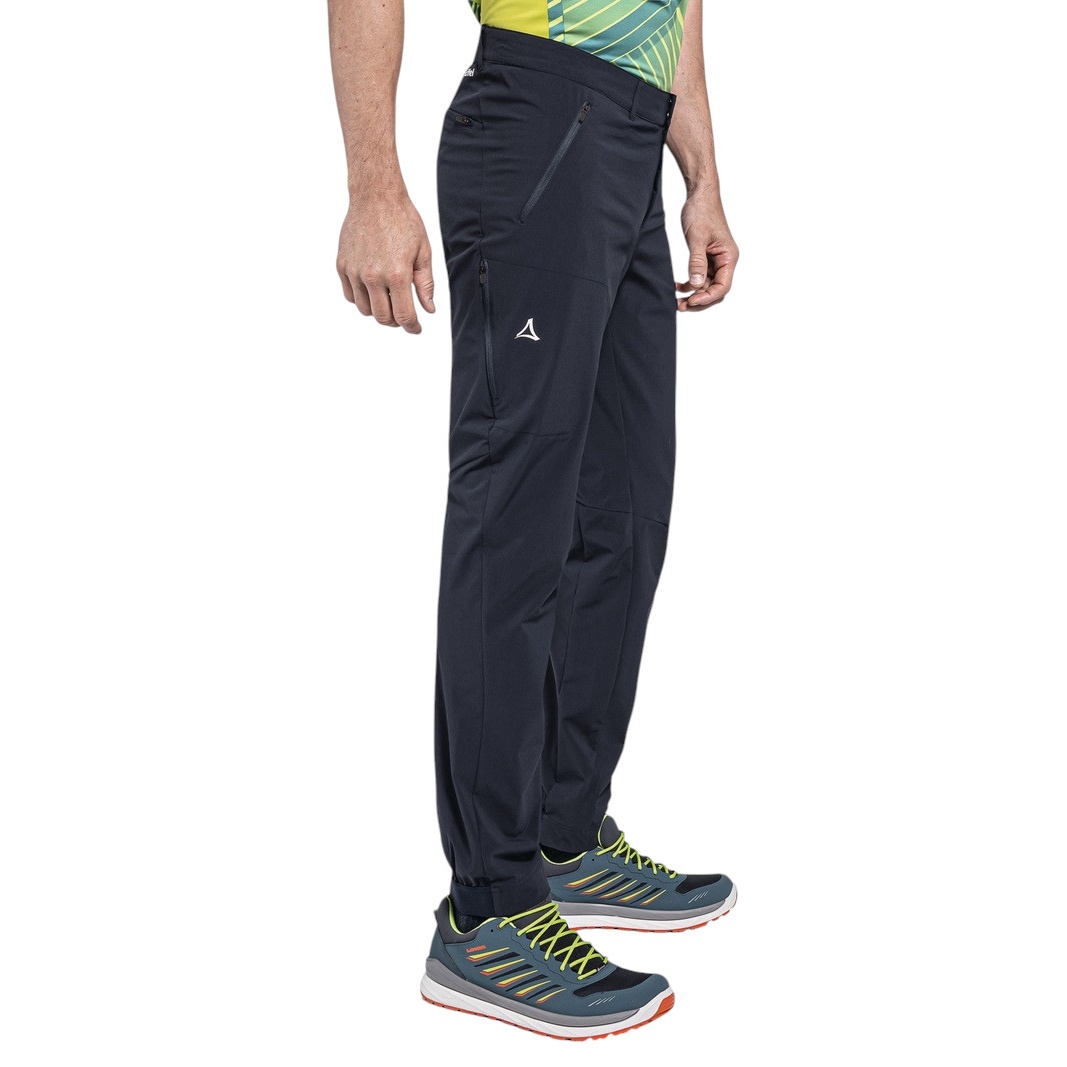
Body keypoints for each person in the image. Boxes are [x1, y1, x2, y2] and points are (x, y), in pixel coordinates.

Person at [328, 0, 739, 1040]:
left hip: (629, 143)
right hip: (539, 121)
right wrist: (373, 185)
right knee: (515, 523)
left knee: (626, 515)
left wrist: (701, 176)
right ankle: (488, 905)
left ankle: (564, 831)